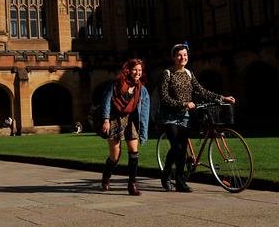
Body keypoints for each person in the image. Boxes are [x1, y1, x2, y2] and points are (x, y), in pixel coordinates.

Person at [159, 43, 235, 193]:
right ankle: (166, 174)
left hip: (184, 116)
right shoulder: (167, 73)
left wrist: (223, 98)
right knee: (177, 146)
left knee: (183, 149)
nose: (183, 57)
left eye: (185, 55)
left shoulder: (189, 74)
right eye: (179, 55)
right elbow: (164, 97)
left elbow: (201, 91)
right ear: (174, 57)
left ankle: (180, 182)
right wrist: (184, 103)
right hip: (169, 116)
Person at [100, 58, 150, 196]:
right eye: (135, 69)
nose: (137, 72)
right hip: (114, 119)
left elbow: (145, 112)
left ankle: (132, 184)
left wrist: (143, 132)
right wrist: (106, 120)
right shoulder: (115, 84)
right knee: (115, 156)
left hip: (131, 121)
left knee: (134, 151)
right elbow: (106, 101)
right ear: (128, 70)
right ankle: (106, 176)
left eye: (140, 70)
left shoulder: (142, 90)